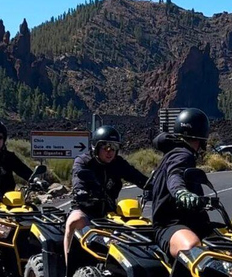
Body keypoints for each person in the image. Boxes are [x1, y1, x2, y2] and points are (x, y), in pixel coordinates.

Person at [65, 125, 148, 261]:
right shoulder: (84, 161)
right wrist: (81, 191)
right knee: (74, 221)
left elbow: (139, 178)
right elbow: (78, 177)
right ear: (96, 148)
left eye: (114, 148)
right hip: (85, 208)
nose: (110, 152)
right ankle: (68, 267)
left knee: (133, 229)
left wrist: (154, 186)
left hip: (110, 210)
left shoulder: (118, 163)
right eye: (106, 147)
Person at [150, 108, 214, 259]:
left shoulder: (174, 152)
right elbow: (175, 174)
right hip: (170, 225)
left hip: (190, 223)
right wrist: (180, 192)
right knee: (191, 248)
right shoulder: (182, 154)